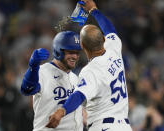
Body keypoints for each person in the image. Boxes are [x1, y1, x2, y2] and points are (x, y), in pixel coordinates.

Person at [46, 0, 132, 131]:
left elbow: (79, 95)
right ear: (103, 39)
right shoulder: (114, 48)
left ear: (82, 46)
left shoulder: (91, 70)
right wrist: (94, 10)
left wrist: (61, 111)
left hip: (104, 127)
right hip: (124, 126)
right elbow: (109, 29)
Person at [20, 31, 84, 131]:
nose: (75, 56)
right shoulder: (42, 71)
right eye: (71, 52)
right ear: (59, 51)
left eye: (77, 53)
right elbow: (27, 89)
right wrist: (32, 67)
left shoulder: (75, 78)